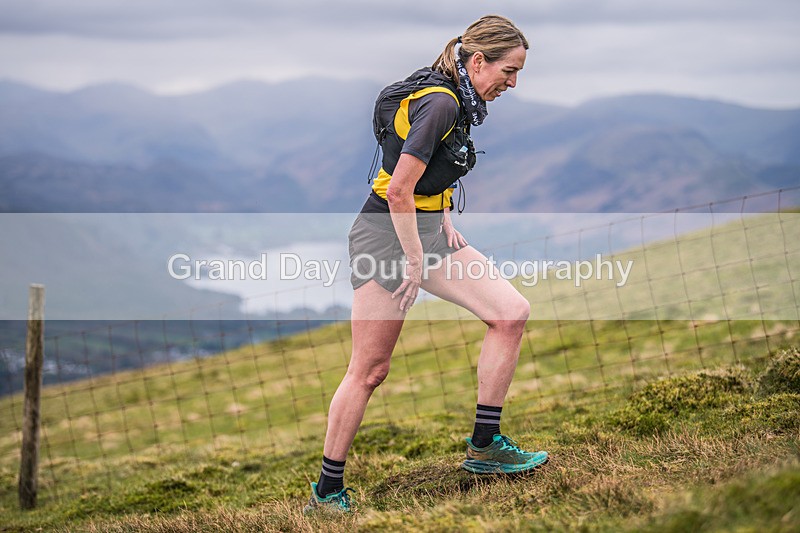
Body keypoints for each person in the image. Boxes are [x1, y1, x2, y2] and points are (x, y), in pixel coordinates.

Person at [304, 14, 548, 514]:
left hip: (425, 229)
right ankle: (328, 494)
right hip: (385, 238)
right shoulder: (442, 102)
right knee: (370, 370)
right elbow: (397, 190)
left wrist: (438, 213)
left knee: (510, 313)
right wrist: (414, 259)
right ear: (478, 61)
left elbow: (420, 179)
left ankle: (485, 448)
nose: (513, 83)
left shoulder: (453, 95)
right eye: (509, 70)